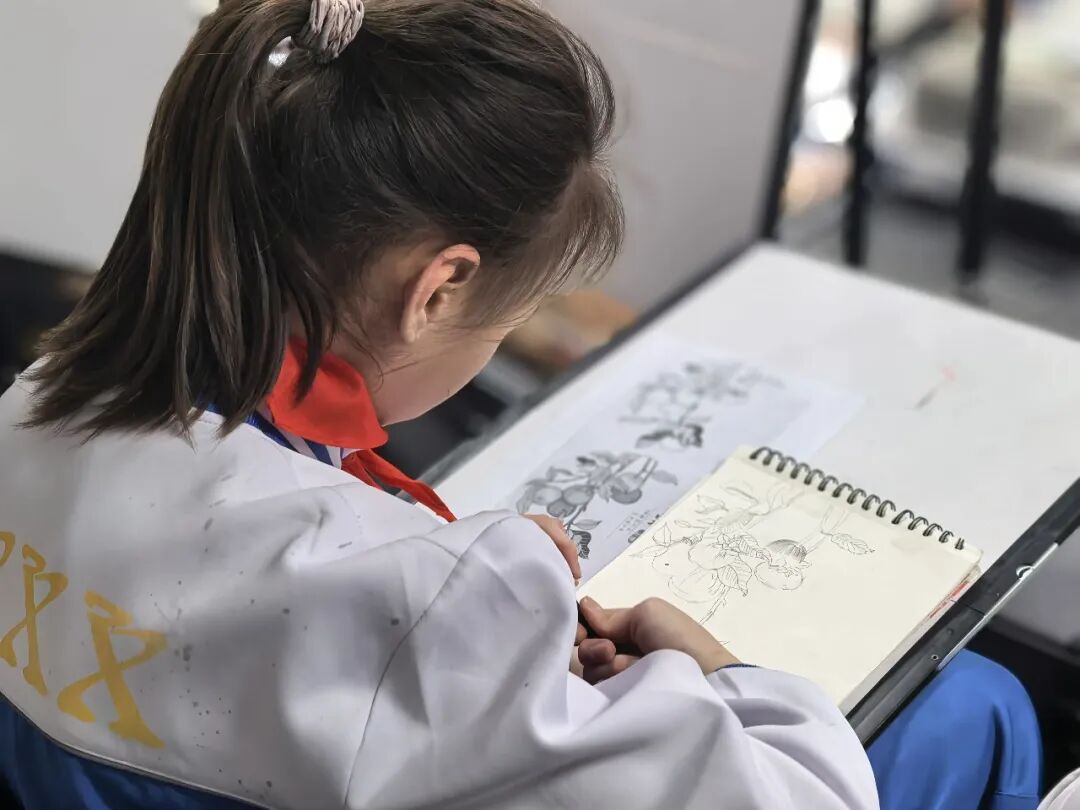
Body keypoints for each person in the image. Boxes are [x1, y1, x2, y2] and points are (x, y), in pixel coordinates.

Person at [0, 1, 1034, 809]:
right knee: (977, 709)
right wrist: (714, 670)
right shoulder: (425, 601)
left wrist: (453, 591)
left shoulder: (33, 408)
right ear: (439, 291)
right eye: (512, 315)